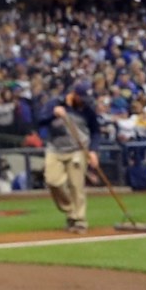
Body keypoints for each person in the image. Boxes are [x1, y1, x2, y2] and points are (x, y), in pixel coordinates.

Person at [43, 93, 97, 235]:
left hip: (78, 149)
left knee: (76, 185)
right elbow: (39, 120)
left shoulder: (87, 109)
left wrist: (93, 151)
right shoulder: (54, 103)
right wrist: (53, 114)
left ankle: (79, 220)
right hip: (55, 148)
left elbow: (96, 131)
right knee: (52, 181)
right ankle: (70, 210)